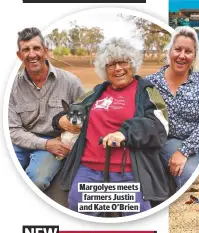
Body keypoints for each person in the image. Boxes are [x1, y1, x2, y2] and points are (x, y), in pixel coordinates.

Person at [52, 37, 170, 217]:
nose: (118, 69)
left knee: (136, 219)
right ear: (104, 70)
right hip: (88, 169)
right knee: (78, 212)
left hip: (129, 171)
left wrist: (125, 133)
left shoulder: (146, 91)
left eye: (123, 62)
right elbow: (73, 110)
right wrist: (60, 120)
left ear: (132, 64)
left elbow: (160, 125)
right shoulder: (96, 92)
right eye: (111, 64)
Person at [9, 27, 85, 191]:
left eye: (36, 48)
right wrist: (45, 144)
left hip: (57, 143)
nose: (32, 54)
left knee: (37, 179)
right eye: (26, 50)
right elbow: (13, 130)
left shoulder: (71, 82)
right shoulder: (11, 86)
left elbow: (88, 115)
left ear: (45, 50)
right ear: (19, 55)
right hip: (20, 141)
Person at [145, 26, 199, 190]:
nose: (182, 55)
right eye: (178, 49)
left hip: (198, 140)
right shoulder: (151, 83)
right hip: (169, 140)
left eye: (188, 51)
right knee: (191, 175)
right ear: (169, 52)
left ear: (194, 55)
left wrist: (185, 150)